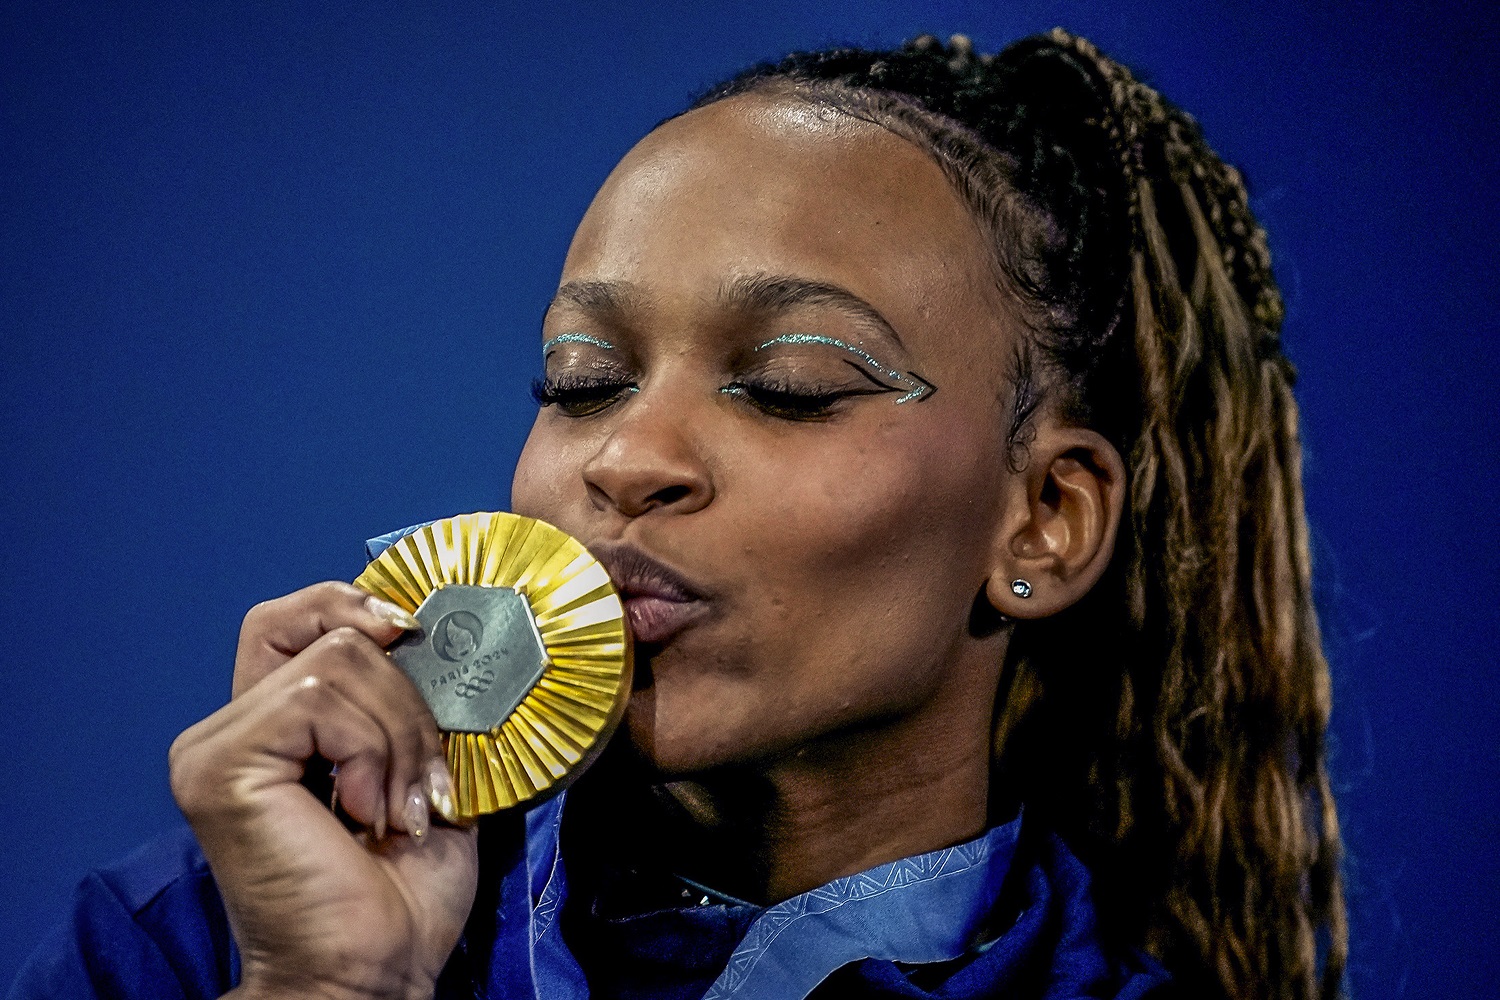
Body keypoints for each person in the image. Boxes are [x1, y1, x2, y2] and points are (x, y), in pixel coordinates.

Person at [7, 29, 1346, 1000]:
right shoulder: (193, 943)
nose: (630, 457)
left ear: (1041, 521)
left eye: (787, 386)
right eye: (582, 382)